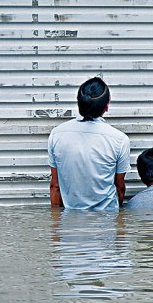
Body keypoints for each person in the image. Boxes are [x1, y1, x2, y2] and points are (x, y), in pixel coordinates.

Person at [48, 77, 130, 211]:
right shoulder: (119, 140)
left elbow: (55, 186)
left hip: (71, 219)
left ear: (79, 102)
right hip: (106, 219)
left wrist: (56, 221)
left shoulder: (57, 134)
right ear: (107, 106)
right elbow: (119, 188)